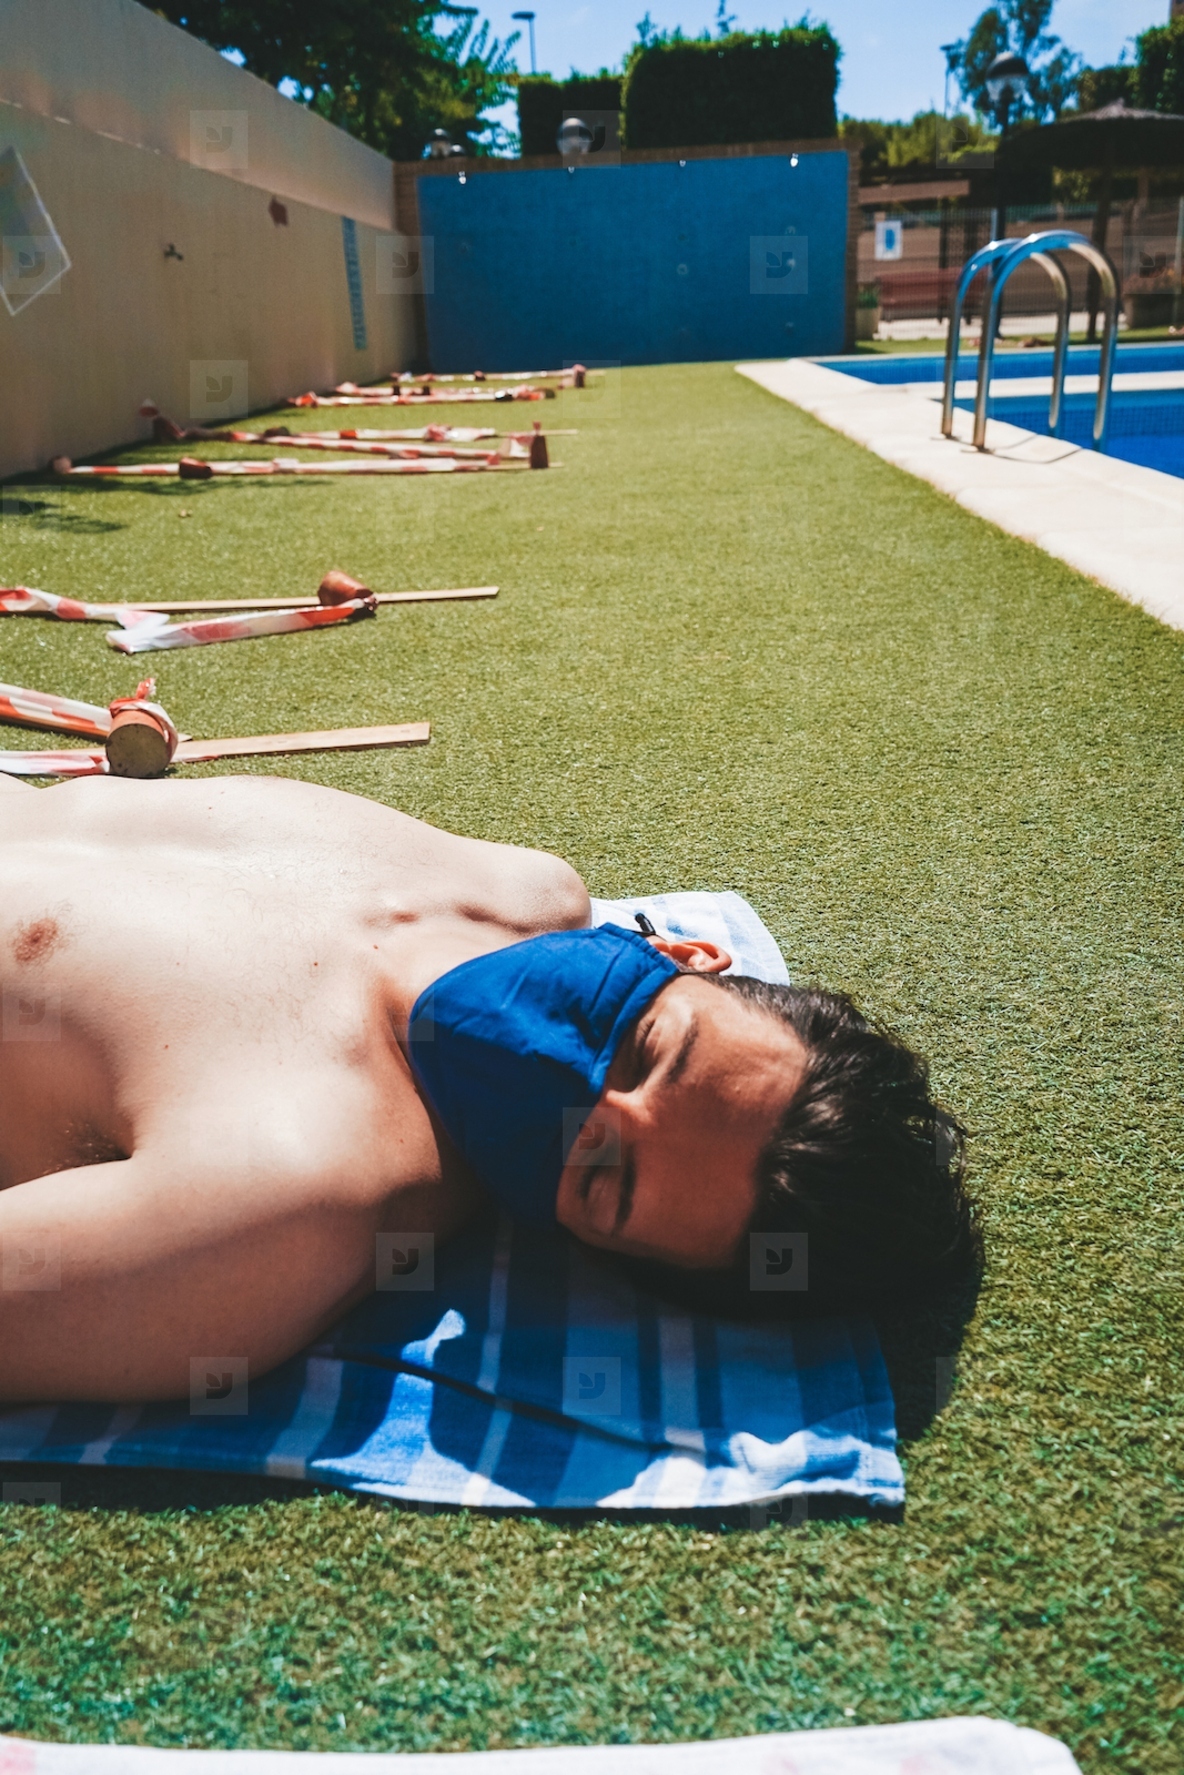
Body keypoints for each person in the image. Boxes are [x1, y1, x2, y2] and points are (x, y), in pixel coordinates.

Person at [0, 772, 976, 1405]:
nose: (569, 1087)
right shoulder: (523, 886)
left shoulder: (282, 1200)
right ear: (685, 953)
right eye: (643, 1047)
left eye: (599, 1170)